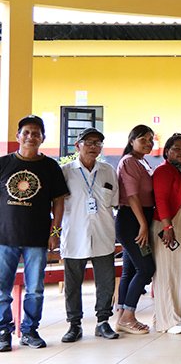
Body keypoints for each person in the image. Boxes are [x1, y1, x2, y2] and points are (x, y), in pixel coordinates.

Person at [0, 116, 69, 351]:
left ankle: (29, 331)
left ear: (43, 138)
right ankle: (3, 331)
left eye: (36, 133)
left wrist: (55, 232)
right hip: (4, 238)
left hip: (37, 239)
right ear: (18, 136)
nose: (31, 137)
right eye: (27, 132)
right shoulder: (3, 163)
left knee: (35, 290)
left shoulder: (50, 167)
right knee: (2, 288)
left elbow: (58, 202)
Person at [60, 127, 119, 343]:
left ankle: (103, 322)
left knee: (105, 282)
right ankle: (74, 325)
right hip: (74, 236)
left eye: (98, 143)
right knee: (73, 284)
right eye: (89, 142)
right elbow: (56, 204)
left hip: (103, 234)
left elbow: (115, 202)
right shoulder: (65, 172)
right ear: (78, 146)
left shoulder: (108, 171)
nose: (94, 147)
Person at [151, 134, 181, 334]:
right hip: (170, 223)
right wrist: (167, 227)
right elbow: (160, 200)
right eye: (176, 148)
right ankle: (169, 320)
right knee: (168, 271)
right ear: (167, 151)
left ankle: (178, 316)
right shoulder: (163, 171)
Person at [114, 124, 156, 335]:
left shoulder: (142, 161)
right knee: (146, 268)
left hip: (140, 218)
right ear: (131, 141)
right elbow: (132, 196)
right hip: (132, 220)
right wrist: (143, 225)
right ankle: (128, 316)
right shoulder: (129, 161)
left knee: (130, 270)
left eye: (150, 139)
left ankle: (122, 315)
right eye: (143, 139)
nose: (148, 143)